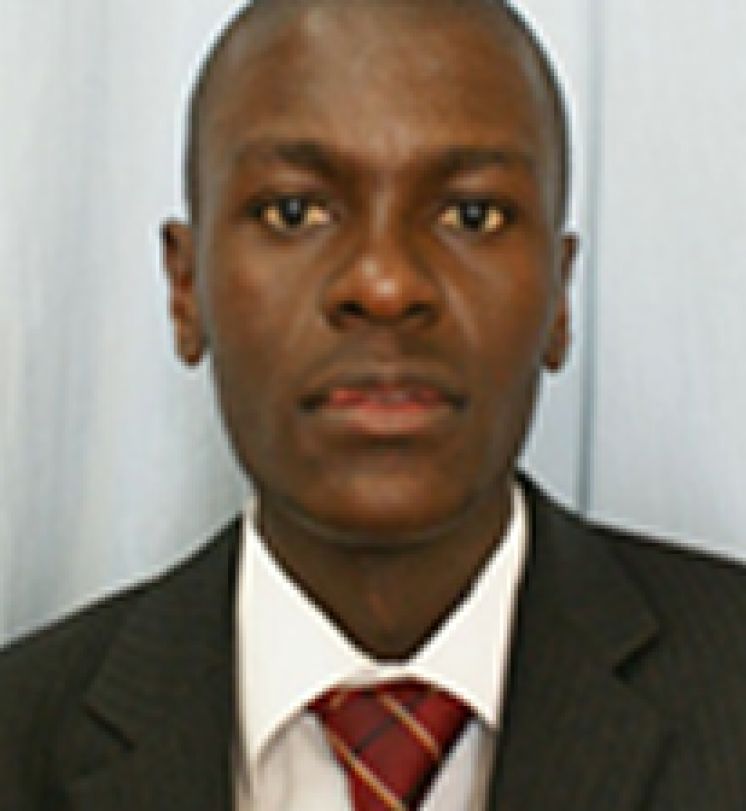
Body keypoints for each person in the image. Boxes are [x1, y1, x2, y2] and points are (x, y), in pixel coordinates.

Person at [2, 0, 746, 808]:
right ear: (186, 289)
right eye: (294, 211)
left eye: (471, 214)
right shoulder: (21, 732)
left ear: (560, 295)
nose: (385, 285)